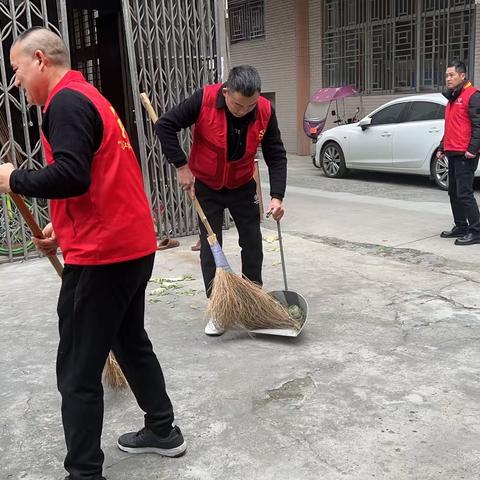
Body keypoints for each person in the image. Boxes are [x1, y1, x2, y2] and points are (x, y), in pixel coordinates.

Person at [0, 27, 186, 480]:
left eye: (17, 70)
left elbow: (72, 174)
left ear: (40, 59)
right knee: (128, 341)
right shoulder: (89, 97)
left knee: (78, 371)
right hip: (131, 245)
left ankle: (84, 472)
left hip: (104, 257)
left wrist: (13, 179)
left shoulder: (64, 103)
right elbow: (98, 178)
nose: (16, 82)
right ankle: (163, 430)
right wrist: (60, 227)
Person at [155, 65, 287, 336]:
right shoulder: (203, 99)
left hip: (241, 185)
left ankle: (253, 301)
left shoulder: (264, 110)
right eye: (238, 105)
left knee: (252, 242)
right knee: (212, 247)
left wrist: (277, 196)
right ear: (226, 91)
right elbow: (165, 125)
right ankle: (218, 306)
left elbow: (275, 153)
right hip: (206, 185)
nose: (243, 111)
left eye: (250, 105)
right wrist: (181, 165)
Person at [438, 60, 480, 245]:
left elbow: (478, 125)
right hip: (452, 152)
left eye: (452, 75)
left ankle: (476, 230)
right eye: (447, 75)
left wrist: (473, 149)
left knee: (464, 193)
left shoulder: (473, 95)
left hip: (465, 154)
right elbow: (451, 126)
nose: (448, 78)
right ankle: (461, 226)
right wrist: (441, 147)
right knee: (453, 193)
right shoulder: (453, 98)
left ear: (462, 76)